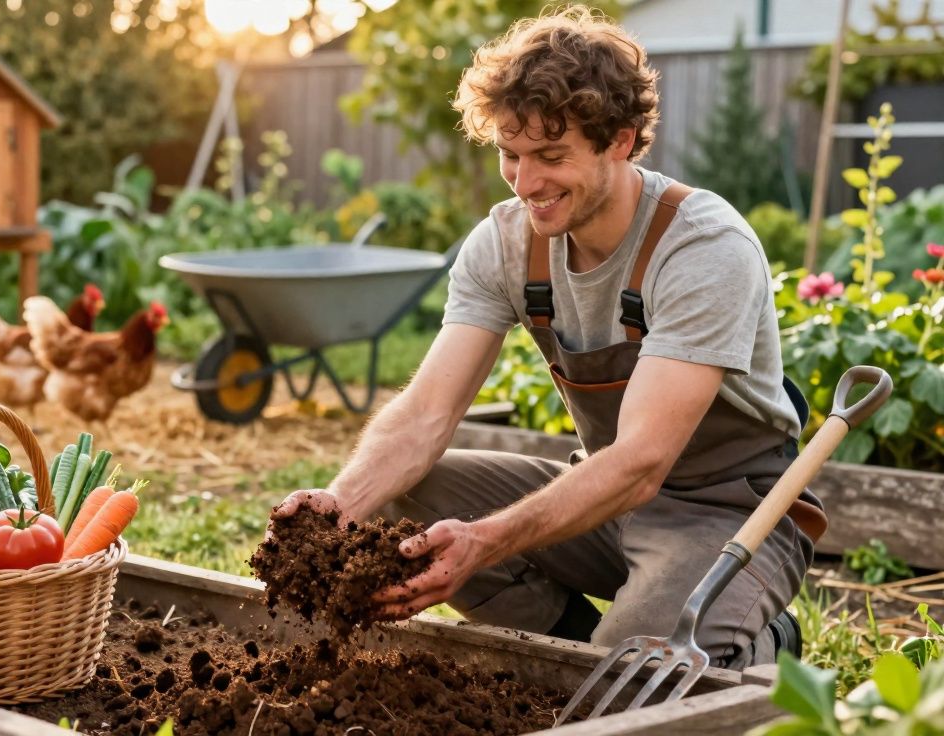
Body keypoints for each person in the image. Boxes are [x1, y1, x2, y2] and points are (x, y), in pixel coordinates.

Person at [270, 7, 824, 669]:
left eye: (552, 156)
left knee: (641, 660)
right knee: (399, 500)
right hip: (606, 500)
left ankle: (762, 644)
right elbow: (424, 414)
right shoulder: (506, 245)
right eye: (511, 154)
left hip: (728, 514)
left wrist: (488, 540)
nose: (526, 184)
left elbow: (643, 461)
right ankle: (568, 651)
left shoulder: (702, 246)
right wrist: (340, 505)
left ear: (620, 140)